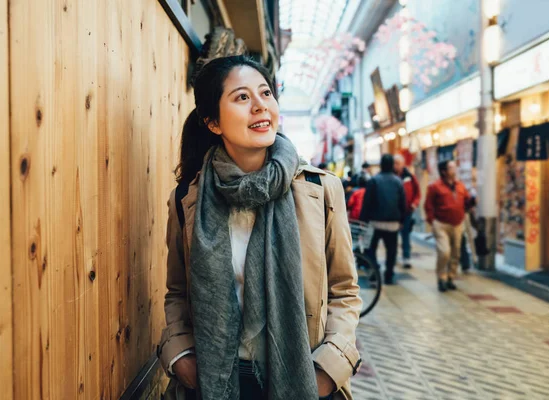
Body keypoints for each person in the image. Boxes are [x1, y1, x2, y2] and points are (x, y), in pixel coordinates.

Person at [157, 55, 362, 400]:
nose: (260, 106)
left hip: (301, 376)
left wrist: (328, 369)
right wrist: (180, 357)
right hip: (214, 380)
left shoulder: (321, 190)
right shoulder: (187, 199)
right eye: (242, 97)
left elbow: (344, 289)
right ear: (213, 123)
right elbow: (178, 292)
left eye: (266, 93)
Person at [424, 160, 473, 292]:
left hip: (457, 224)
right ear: (444, 171)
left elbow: (466, 203)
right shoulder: (435, 187)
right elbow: (428, 205)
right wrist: (432, 221)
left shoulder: (460, 186)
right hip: (441, 224)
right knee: (444, 251)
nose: (455, 169)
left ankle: (451, 277)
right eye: (451, 167)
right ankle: (441, 277)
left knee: (456, 253)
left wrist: (471, 202)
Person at [360, 154, 407, 285]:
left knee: (371, 249)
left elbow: (367, 203)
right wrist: (402, 220)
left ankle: (374, 272)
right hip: (393, 223)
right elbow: (403, 203)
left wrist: (363, 220)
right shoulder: (398, 182)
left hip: (375, 222)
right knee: (391, 251)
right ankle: (389, 275)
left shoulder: (374, 180)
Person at [393, 154, 421, 269]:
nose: (396, 166)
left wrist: (415, 203)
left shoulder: (409, 176)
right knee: (392, 236)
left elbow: (417, 192)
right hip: (394, 212)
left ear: (403, 164)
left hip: (407, 211)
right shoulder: (390, 175)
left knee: (405, 235)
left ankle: (406, 257)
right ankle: (392, 256)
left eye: (398, 163)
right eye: (394, 163)